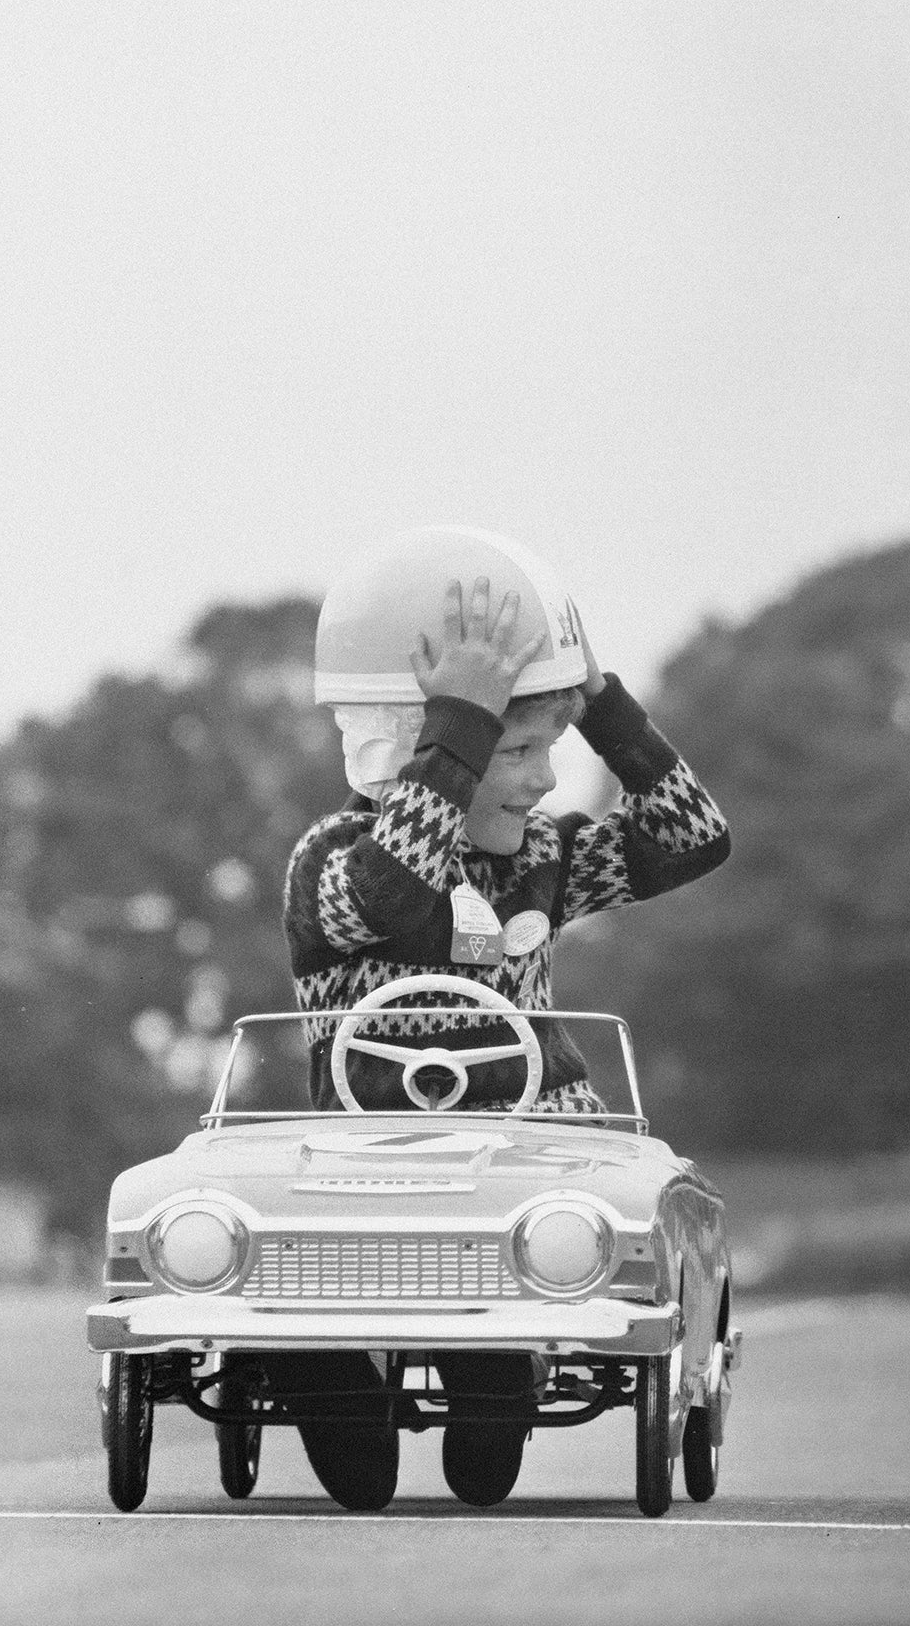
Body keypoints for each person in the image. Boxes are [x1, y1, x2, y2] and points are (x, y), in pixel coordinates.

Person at [273, 526, 731, 1512]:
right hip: (375, 1149)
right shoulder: (329, 860)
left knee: (572, 1223)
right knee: (319, 1262)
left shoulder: (539, 855)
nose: (545, 778)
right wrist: (460, 725)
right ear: (416, 751)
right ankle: (326, 1369)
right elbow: (397, 893)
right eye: (516, 749)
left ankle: (495, 1371)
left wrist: (600, 703)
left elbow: (695, 837)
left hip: (520, 1145)